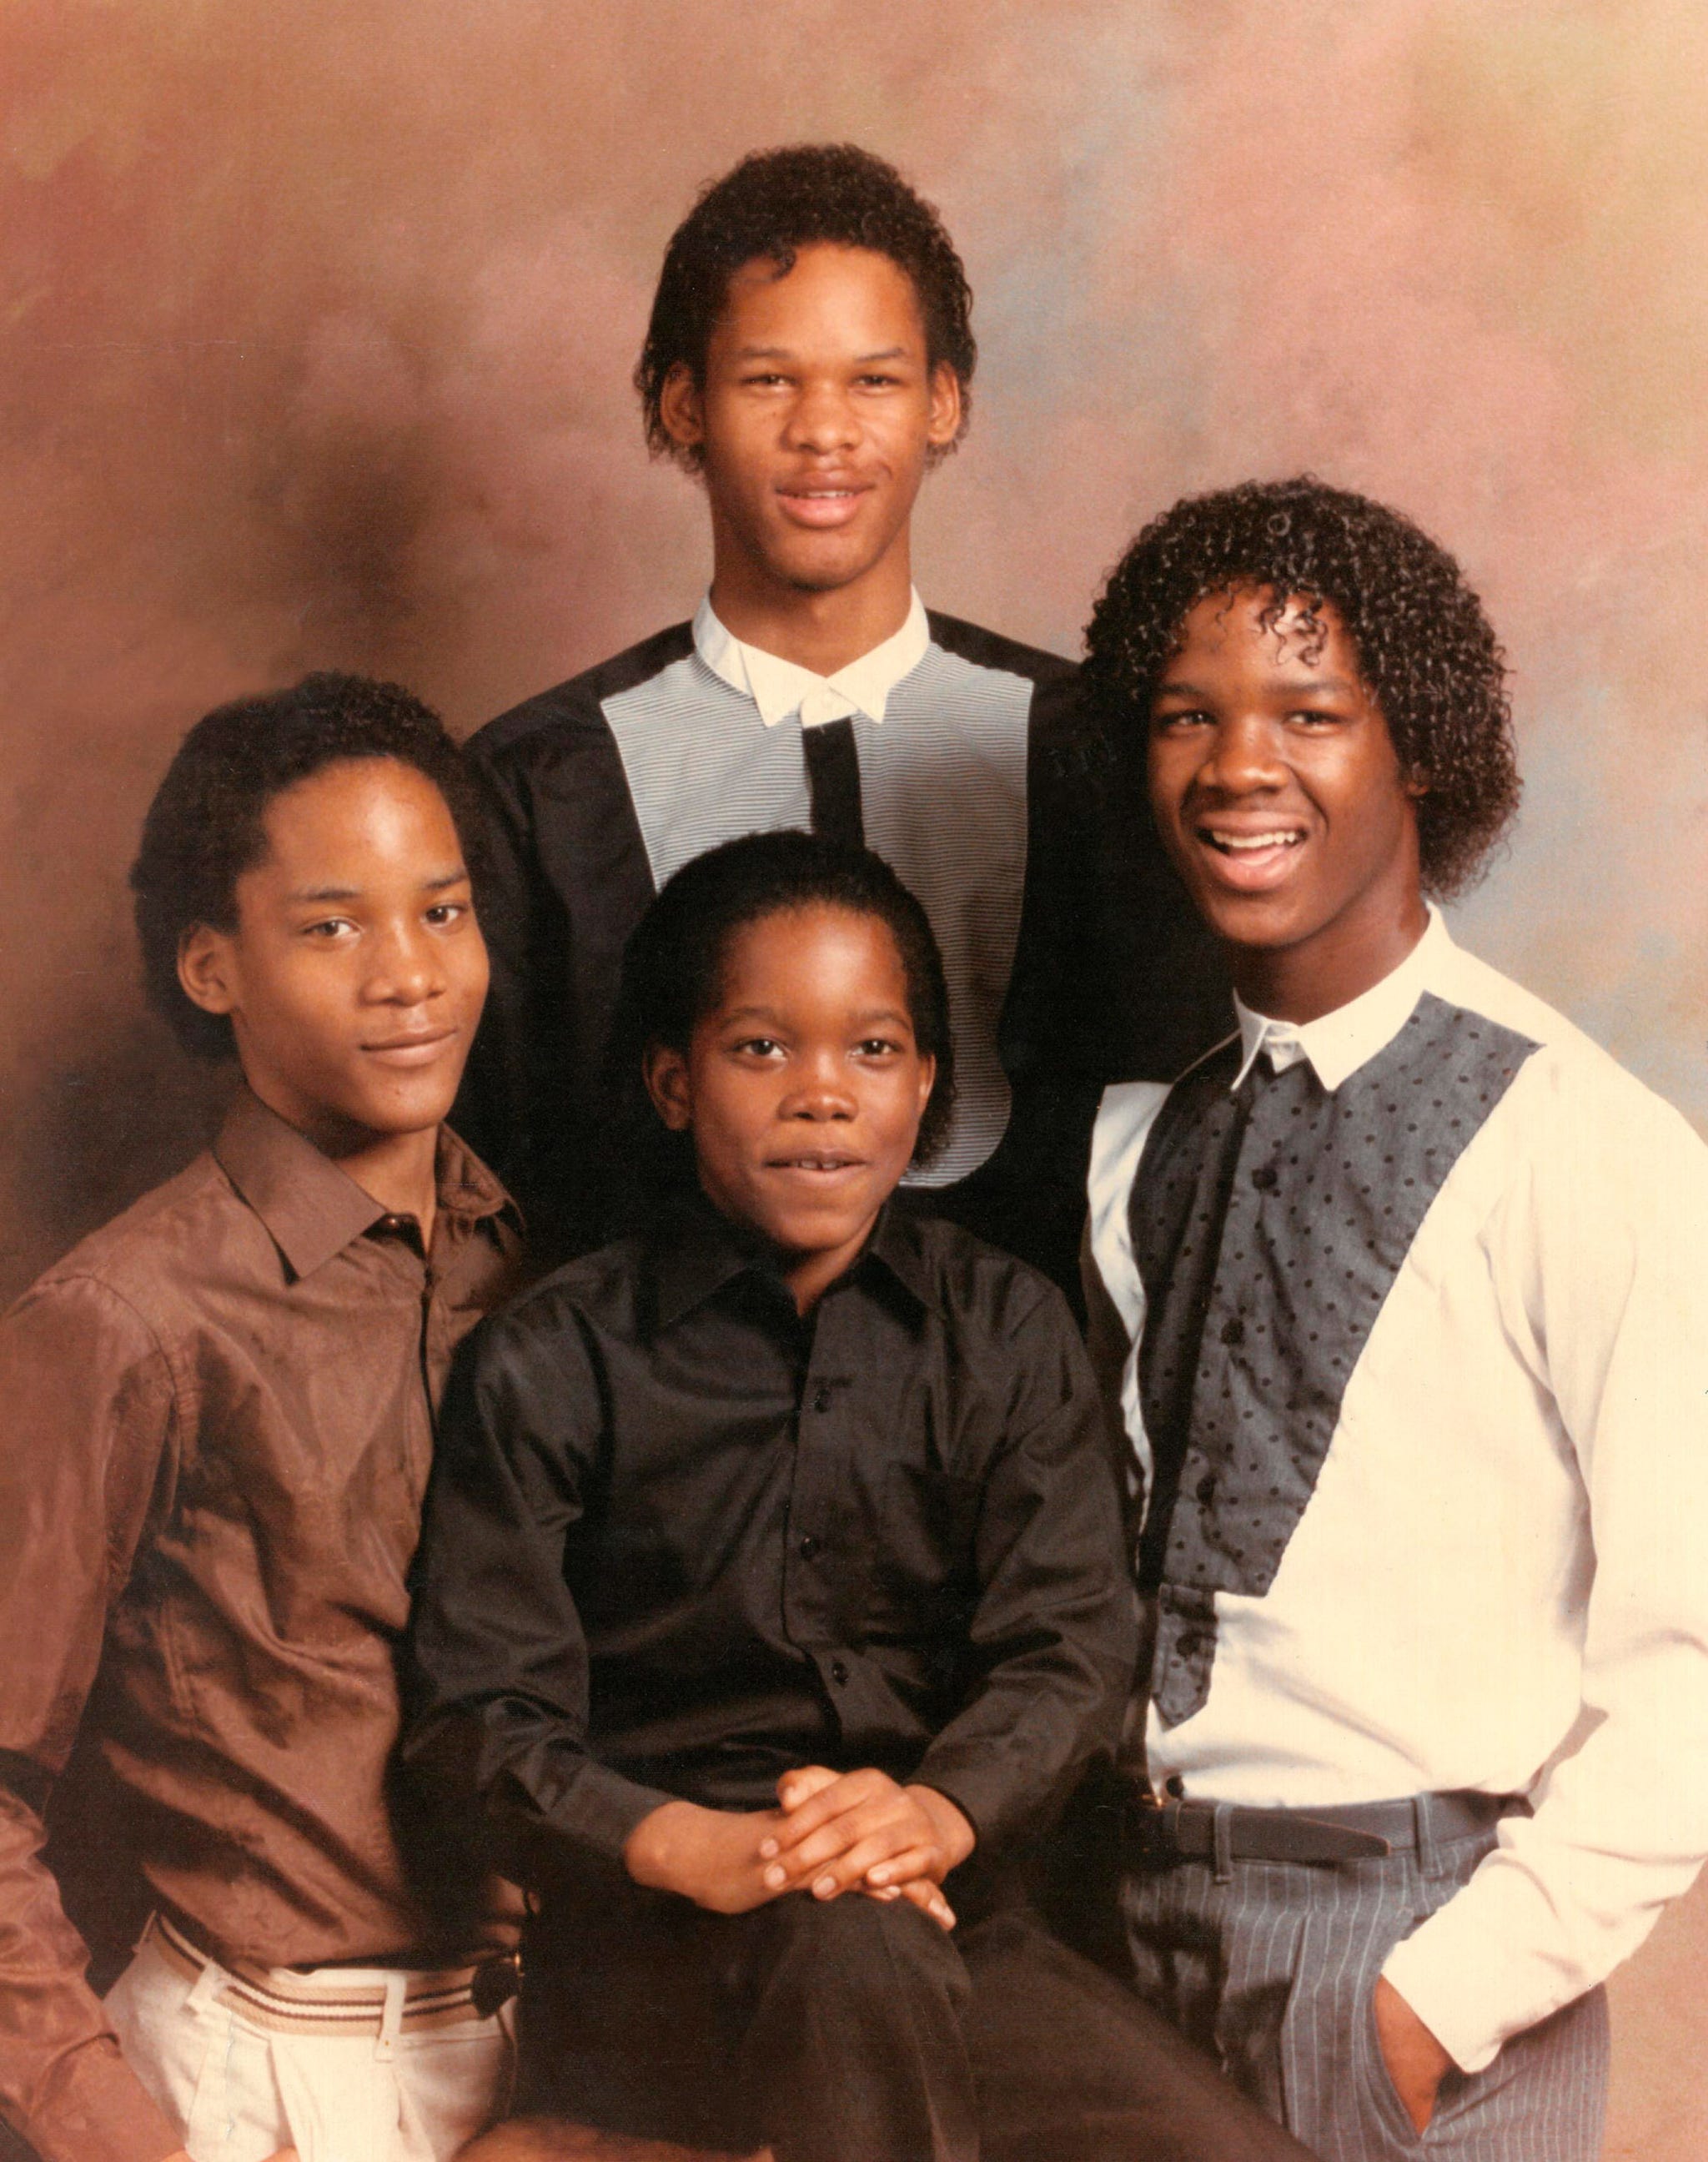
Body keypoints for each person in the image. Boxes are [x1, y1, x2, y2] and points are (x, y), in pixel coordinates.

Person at [404, 831, 1314, 2162]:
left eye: (872, 1051)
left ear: (929, 1084)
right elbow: (476, 1724)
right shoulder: (552, 1359)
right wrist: (698, 1848)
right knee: (845, 1956)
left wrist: (929, 1817)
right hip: (653, 1946)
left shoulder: (1002, 1329)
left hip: (940, 1904)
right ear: (673, 1082)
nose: (821, 1094)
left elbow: (1067, 1651)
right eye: (762, 1049)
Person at [1079, 476, 1708, 2159]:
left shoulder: (1587, 1148)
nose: (1235, 769)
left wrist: (1434, 2006)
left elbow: (1698, 1663)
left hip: (1409, 1948)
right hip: (1127, 1940)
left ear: (1417, 745)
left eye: (1309, 713)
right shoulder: (1138, 1144)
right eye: (1184, 718)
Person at [452, 141, 1223, 1292]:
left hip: (1030, 1418)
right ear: (683, 402)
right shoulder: (538, 783)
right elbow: (497, 1183)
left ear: (943, 403)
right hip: (665, 1431)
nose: (826, 431)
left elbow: (1191, 1131)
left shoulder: (1090, 747)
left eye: (874, 380)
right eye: (770, 380)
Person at [0, 676, 525, 2162]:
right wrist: (117, 2137)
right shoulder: (124, 1322)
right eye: (333, 925)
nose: (410, 974)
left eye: (443, 910)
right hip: (262, 2080)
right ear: (213, 966)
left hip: (529, 2067)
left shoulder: (541, 1268)